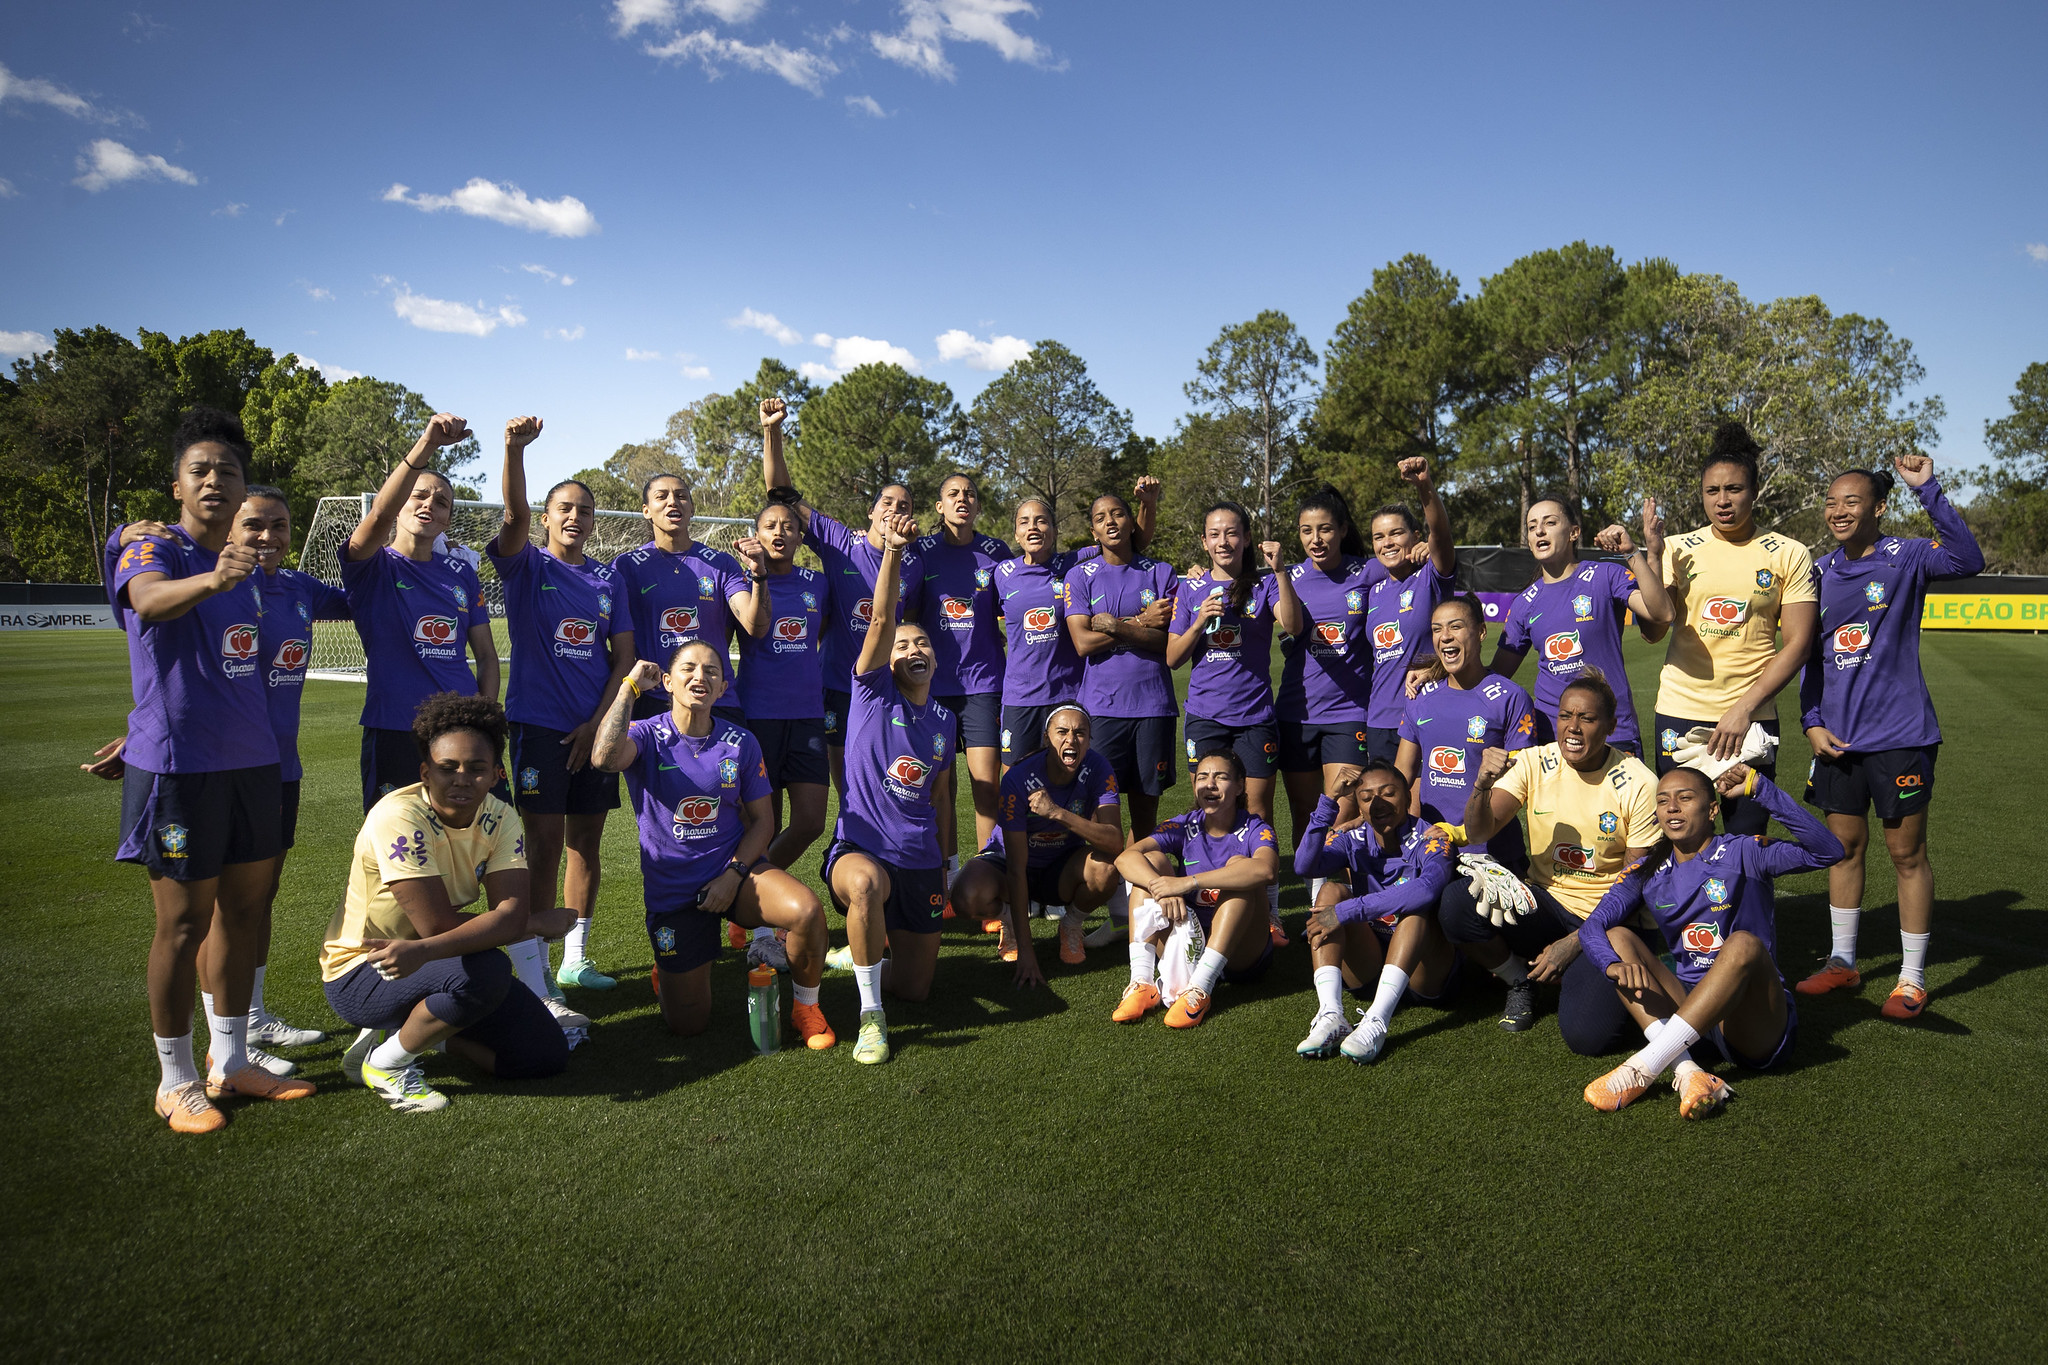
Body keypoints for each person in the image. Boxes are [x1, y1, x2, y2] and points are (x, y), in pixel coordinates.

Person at [107, 409, 315, 1132]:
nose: (215, 480)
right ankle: (175, 1079)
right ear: (176, 486)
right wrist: (214, 580)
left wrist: (237, 572)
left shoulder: (258, 571)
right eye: (201, 470)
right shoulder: (148, 546)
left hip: (255, 762)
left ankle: (232, 1061)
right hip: (181, 767)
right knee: (183, 924)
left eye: (227, 470)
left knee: (246, 911)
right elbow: (148, 604)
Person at [91, 484, 346, 1073]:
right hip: (208, 765)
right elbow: (187, 664)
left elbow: (369, 591)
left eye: (279, 525)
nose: (267, 536)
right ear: (229, 525)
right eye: (254, 524)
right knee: (196, 915)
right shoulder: (214, 577)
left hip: (274, 764)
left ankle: (247, 1022)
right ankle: (209, 1050)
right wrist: (142, 731)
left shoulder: (296, 589)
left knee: (253, 902)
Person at [1794, 453, 1983, 1019]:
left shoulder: (1906, 557)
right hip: (1838, 741)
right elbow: (1810, 660)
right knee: (1843, 850)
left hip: (1901, 736)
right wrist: (1812, 722)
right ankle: (1842, 964)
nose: (1839, 511)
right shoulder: (1819, 572)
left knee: (1907, 854)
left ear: (1878, 508)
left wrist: (1928, 489)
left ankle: (1911, 978)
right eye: (1831, 502)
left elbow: (1967, 558)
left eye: (1852, 502)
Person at [322, 693, 570, 1113]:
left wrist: (515, 922)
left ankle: (429, 1036)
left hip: (436, 960)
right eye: (447, 768)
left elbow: (506, 915)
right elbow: (436, 926)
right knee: (488, 969)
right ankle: (387, 1063)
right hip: (365, 971)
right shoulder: (397, 815)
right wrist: (533, 923)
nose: (461, 779)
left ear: (495, 775)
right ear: (425, 771)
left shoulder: (501, 815)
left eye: (476, 769)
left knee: (543, 1054)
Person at [590, 646, 834, 1046]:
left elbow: (763, 822)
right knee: (688, 1025)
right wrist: (629, 688)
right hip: (674, 888)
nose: (699, 676)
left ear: (722, 688)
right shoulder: (648, 734)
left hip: (734, 873)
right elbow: (603, 757)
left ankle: (805, 1007)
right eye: (687, 669)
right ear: (667, 682)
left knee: (806, 910)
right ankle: (667, 971)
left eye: (711, 671)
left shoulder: (740, 741)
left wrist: (733, 874)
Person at [1578, 765, 1844, 1117]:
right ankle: (1690, 1074)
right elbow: (1592, 927)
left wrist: (1762, 790)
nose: (1672, 807)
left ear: (1712, 811)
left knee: (1743, 943)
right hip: (1689, 1011)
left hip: (1751, 1025)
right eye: (1664, 801)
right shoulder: (1647, 869)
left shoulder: (1745, 851)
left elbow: (1828, 852)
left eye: (1685, 798)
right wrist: (1610, 963)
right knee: (1617, 938)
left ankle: (1643, 1067)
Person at [489, 417, 635, 1002]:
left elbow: (622, 656)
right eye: (564, 509)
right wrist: (513, 451)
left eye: (584, 510)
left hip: (593, 729)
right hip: (538, 727)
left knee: (586, 845)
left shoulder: (608, 579)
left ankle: (574, 957)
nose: (575, 517)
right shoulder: (527, 566)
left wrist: (598, 724)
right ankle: (535, 973)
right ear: (547, 518)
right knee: (543, 846)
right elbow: (511, 518)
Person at [1624, 421, 1817, 835]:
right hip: (1680, 713)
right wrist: (1653, 556)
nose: (1723, 500)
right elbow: (1653, 631)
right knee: (1683, 838)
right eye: (1713, 491)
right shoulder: (1677, 547)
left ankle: (1745, 905)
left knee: (1748, 839)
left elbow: (1799, 644)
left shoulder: (1789, 552)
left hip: (1751, 719)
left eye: (1734, 490)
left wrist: (1744, 708)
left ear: (1755, 492)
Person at [1448, 670, 1661, 1041]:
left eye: (1587, 718)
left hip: (1607, 919)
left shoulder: (1639, 783)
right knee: (1456, 902)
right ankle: (1521, 980)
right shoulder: (1534, 762)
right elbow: (1480, 832)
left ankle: (1620, 971)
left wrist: (1576, 942)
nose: (1573, 728)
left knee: (1588, 1037)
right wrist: (1481, 784)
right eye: (1565, 716)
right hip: (1544, 903)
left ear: (1610, 726)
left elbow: (1632, 887)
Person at [821, 512, 952, 1065]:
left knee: (917, 990)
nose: (911, 650)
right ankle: (870, 1017)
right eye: (901, 646)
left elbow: (942, 797)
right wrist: (894, 552)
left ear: (935, 656)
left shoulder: (944, 720)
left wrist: (944, 862)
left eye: (921, 643)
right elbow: (878, 619)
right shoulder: (871, 693)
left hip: (920, 859)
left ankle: (861, 952)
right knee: (867, 886)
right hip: (862, 851)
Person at [339, 412, 500, 811]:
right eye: (419, 495)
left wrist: (485, 718)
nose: (430, 505)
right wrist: (426, 443)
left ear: (448, 518)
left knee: (479, 843)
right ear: (400, 504)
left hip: (460, 730)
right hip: (395, 727)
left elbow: (485, 655)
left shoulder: (462, 572)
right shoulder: (373, 565)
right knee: (398, 845)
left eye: (441, 502)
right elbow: (376, 515)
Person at [756, 396, 916, 796]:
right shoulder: (841, 542)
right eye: (887, 502)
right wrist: (772, 429)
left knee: (887, 786)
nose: (894, 509)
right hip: (837, 688)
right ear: (871, 511)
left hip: (887, 688)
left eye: (904, 506)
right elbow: (780, 493)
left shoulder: (915, 562)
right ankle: (844, 855)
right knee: (847, 790)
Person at [1169, 501, 1286, 944]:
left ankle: (1269, 912)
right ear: (1204, 541)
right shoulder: (1192, 588)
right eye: (1214, 534)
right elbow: (1173, 658)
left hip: (1255, 718)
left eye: (1232, 532)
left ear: (1246, 538)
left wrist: (1278, 573)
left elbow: (1292, 624)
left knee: (1257, 812)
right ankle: (1207, 903)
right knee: (1210, 811)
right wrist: (1199, 619)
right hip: (1206, 718)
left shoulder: (1262, 585)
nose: (1223, 541)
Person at [1292, 762, 1461, 1062]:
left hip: (1424, 974)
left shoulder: (1432, 837)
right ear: (1358, 806)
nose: (1378, 803)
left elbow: (1427, 890)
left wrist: (1347, 911)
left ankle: (1377, 1022)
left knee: (1416, 913)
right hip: (1370, 968)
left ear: (1408, 798)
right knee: (1330, 891)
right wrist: (1328, 802)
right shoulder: (1353, 837)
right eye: (1367, 797)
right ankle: (1331, 1014)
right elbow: (1304, 865)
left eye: (1388, 793)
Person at [996, 481, 1160, 771]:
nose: (1033, 527)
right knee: (1014, 782)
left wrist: (1147, 504)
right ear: (1016, 535)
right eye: (1024, 522)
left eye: (1042, 521)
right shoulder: (1001, 574)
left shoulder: (1074, 564)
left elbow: (1131, 542)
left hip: (1068, 694)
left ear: (1055, 531)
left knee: (1068, 780)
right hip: (1020, 697)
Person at [950, 705, 1124, 977]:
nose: (1071, 740)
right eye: (1062, 732)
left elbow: (1115, 842)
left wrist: (1057, 813)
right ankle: (1009, 922)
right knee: (966, 895)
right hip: (1012, 864)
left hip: (1062, 866)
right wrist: (1027, 951)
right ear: (1046, 738)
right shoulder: (1019, 778)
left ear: (1089, 740)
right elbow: (1017, 869)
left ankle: (1071, 924)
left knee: (1106, 868)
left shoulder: (1099, 769)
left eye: (1080, 733)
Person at [1111, 749, 1280, 1029]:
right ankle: (1141, 982)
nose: (1209, 784)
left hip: (1241, 954)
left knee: (1241, 868)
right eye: (1202, 777)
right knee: (1149, 863)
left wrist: (1188, 883)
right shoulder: (1184, 825)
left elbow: (1267, 870)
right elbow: (1124, 858)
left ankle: (1200, 988)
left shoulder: (1255, 828)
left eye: (1221, 777)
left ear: (1239, 786)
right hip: (1189, 940)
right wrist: (1163, 887)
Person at [1495, 493, 1673, 754]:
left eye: (1550, 523)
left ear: (1574, 532)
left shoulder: (1605, 575)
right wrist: (1436, 674)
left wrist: (1632, 552)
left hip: (1613, 733)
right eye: (1532, 527)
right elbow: (1496, 675)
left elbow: (1662, 614)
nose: (1539, 531)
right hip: (1552, 738)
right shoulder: (1524, 602)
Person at [1272, 485, 1382, 904]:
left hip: (1350, 713)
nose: (1315, 539)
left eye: (1324, 529)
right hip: (1296, 714)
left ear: (1342, 530)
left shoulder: (1366, 571)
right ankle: (1316, 897)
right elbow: (1287, 623)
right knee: (1305, 812)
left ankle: (1345, 897)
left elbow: (1409, 575)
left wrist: (1420, 548)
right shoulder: (1289, 578)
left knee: (1346, 811)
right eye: (1306, 531)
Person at [906, 474, 1011, 891]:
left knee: (986, 787)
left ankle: (988, 878)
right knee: (938, 789)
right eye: (952, 494)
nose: (962, 499)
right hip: (932, 689)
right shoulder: (922, 552)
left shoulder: (995, 552)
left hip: (983, 685)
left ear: (978, 506)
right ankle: (945, 879)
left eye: (969, 494)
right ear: (939, 506)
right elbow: (908, 612)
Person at [1064, 492, 1181, 848]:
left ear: (1133, 523)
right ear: (1093, 531)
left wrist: (1115, 626)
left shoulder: (1160, 572)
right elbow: (1083, 642)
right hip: (1101, 709)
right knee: (1101, 812)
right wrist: (1141, 623)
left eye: (1118, 514)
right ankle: (1109, 889)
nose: (1110, 522)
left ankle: (1139, 895)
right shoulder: (1080, 575)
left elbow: (1170, 644)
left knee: (1145, 813)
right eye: (1101, 518)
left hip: (1153, 708)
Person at [1398, 596, 1535, 873]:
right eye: (1437, 629)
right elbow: (1402, 774)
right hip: (1432, 847)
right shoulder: (1419, 696)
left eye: (1455, 627)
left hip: (1493, 851)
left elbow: (1521, 784)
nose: (1445, 637)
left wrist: (1467, 832)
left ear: (1481, 631)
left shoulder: (1511, 697)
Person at [610, 471, 753, 728]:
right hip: (653, 697)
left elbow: (747, 624)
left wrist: (760, 575)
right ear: (646, 510)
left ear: (692, 508)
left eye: (681, 496)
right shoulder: (626, 566)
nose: (672, 502)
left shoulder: (721, 563)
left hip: (717, 699)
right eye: (661, 496)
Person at [1364, 458, 1458, 763]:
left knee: (1420, 808)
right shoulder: (1373, 592)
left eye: (1396, 534)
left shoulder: (1430, 577)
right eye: (1379, 537)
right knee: (1383, 807)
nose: (1387, 543)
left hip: (1424, 713)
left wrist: (1423, 485)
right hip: (1379, 719)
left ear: (1416, 537)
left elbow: (1441, 534)